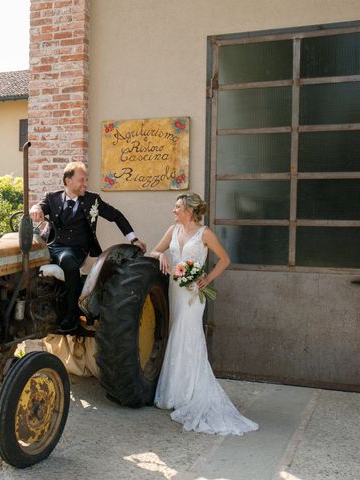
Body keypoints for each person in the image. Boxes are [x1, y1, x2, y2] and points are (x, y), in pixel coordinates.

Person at [150, 192, 258, 435]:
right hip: (175, 292)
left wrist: (207, 278)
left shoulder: (204, 233)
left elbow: (225, 260)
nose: (174, 211)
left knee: (188, 335)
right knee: (176, 334)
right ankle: (175, 392)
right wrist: (163, 256)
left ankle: (191, 392)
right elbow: (154, 251)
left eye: (177, 207)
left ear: (189, 210)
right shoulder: (172, 230)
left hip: (192, 295)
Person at [30, 161, 146, 334]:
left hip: (75, 249)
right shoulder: (52, 197)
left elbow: (116, 216)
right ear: (68, 181)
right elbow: (39, 206)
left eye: (86, 180)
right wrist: (35, 207)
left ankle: (73, 316)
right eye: (81, 180)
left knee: (68, 261)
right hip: (50, 246)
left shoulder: (92, 200)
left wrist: (134, 239)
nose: (85, 184)